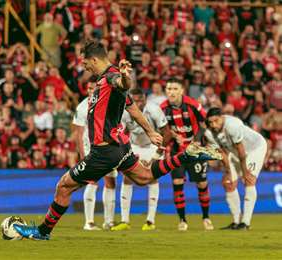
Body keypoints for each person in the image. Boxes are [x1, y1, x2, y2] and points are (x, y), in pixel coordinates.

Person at [14, 41, 221, 240]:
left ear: (94, 60)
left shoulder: (111, 77)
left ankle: (43, 231)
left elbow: (122, 83)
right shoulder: (107, 81)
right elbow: (134, 109)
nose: (84, 67)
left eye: (85, 63)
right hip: (120, 148)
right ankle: (185, 155)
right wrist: (149, 131)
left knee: (64, 186)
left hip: (104, 152)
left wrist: (124, 77)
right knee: (145, 177)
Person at [111, 88, 171, 231]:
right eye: (135, 100)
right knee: (127, 177)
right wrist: (123, 153)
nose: (138, 103)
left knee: (152, 178)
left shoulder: (154, 110)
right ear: (131, 100)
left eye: (141, 100)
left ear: (145, 99)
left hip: (153, 146)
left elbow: (167, 132)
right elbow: (121, 133)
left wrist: (157, 154)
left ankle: (150, 221)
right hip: (134, 146)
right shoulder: (125, 111)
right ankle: (125, 220)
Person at [160, 78, 214, 231]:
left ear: (182, 90)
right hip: (177, 151)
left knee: (201, 184)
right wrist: (171, 133)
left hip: (195, 150)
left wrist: (197, 140)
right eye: (169, 88)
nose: (171, 92)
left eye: (175, 89)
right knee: (177, 183)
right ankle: (182, 220)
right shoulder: (162, 108)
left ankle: (206, 218)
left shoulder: (193, 105)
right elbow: (160, 128)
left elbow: (205, 124)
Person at [205, 107, 267, 230]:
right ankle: (235, 221)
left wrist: (244, 172)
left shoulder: (232, 125)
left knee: (248, 180)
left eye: (216, 121)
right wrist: (228, 170)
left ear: (222, 117)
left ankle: (245, 222)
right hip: (234, 152)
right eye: (210, 122)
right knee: (228, 182)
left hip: (254, 148)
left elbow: (241, 150)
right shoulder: (209, 133)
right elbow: (222, 152)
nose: (213, 125)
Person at [73, 81, 117, 231]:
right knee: (92, 182)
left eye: (95, 88)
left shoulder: (107, 103)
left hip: (108, 148)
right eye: (89, 88)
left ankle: (109, 221)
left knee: (111, 182)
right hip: (91, 149)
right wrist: (82, 155)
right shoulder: (82, 107)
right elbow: (78, 134)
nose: (92, 90)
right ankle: (89, 222)